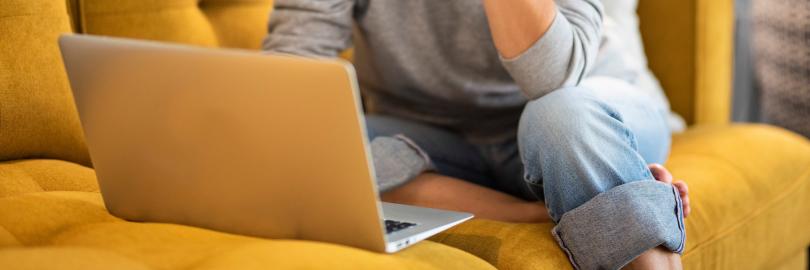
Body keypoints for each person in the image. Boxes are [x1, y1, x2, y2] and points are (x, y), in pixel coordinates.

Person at [264, 0, 691, 269]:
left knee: (564, 118)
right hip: (429, 137)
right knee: (318, 147)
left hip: (575, 110)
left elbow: (551, 79)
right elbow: (294, 67)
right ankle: (541, 207)